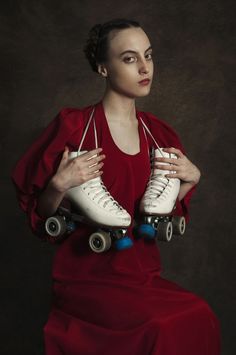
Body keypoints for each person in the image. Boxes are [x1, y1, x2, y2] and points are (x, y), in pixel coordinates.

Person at [11, 18, 221, 355]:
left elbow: (160, 219)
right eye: (129, 58)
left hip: (143, 278)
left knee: (199, 315)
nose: (143, 67)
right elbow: (41, 220)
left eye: (148, 56)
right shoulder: (74, 127)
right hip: (86, 281)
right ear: (103, 67)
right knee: (161, 326)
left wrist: (190, 181)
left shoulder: (160, 136)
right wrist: (59, 184)